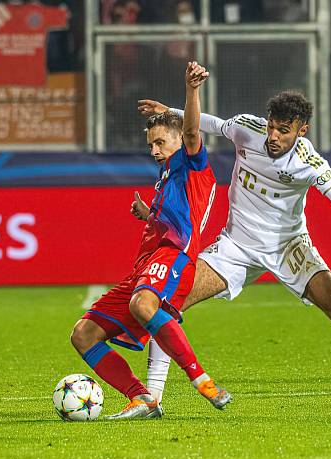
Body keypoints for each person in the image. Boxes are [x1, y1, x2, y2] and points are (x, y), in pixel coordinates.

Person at [137, 91, 331, 415]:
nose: (273, 136)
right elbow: (210, 124)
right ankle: (153, 399)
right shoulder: (248, 128)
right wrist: (171, 112)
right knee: (170, 301)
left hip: (288, 245)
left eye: (283, 130)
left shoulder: (311, 163)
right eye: (272, 126)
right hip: (237, 244)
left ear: (302, 130)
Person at [70, 61, 231, 420]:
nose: (155, 149)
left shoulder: (193, 166)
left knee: (144, 305)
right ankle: (142, 398)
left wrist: (191, 91)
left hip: (174, 257)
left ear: (178, 140)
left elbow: (191, 131)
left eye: (161, 142)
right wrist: (149, 215)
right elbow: (170, 215)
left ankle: (202, 380)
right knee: (83, 334)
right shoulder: (166, 176)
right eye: (151, 144)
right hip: (145, 265)